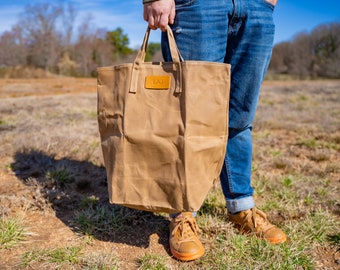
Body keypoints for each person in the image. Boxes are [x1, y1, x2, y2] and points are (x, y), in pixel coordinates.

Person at [143, 0, 286, 261]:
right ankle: (182, 213)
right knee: (189, 116)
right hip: (199, 6)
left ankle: (240, 206)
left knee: (240, 117)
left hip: (257, 8)